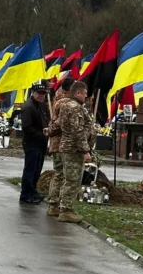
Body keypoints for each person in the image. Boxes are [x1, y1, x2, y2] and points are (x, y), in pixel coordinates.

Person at [50, 80, 94, 223]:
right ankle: (66, 210)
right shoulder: (74, 107)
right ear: (78, 93)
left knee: (67, 178)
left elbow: (59, 124)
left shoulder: (66, 104)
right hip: (73, 148)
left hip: (67, 147)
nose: (86, 96)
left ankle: (59, 206)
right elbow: (77, 130)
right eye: (85, 93)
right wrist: (85, 150)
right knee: (73, 180)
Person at [19, 83, 50, 204]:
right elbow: (27, 127)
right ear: (33, 93)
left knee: (37, 169)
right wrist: (42, 135)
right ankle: (26, 194)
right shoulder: (28, 107)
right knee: (30, 169)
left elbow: (46, 120)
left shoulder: (42, 105)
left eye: (43, 94)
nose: (41, 96)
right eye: (39, 93)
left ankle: (32, 190)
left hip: (40, 143)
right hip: (32, 143)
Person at [45, 80, 71, 217]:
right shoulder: (64, 103)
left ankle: (54, 203)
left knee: (59, 173)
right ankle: (54, 203)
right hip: (60, 143)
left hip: (58, 143)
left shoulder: (59, 101)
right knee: (60, 174)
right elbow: (59, 124)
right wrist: (50, 130)